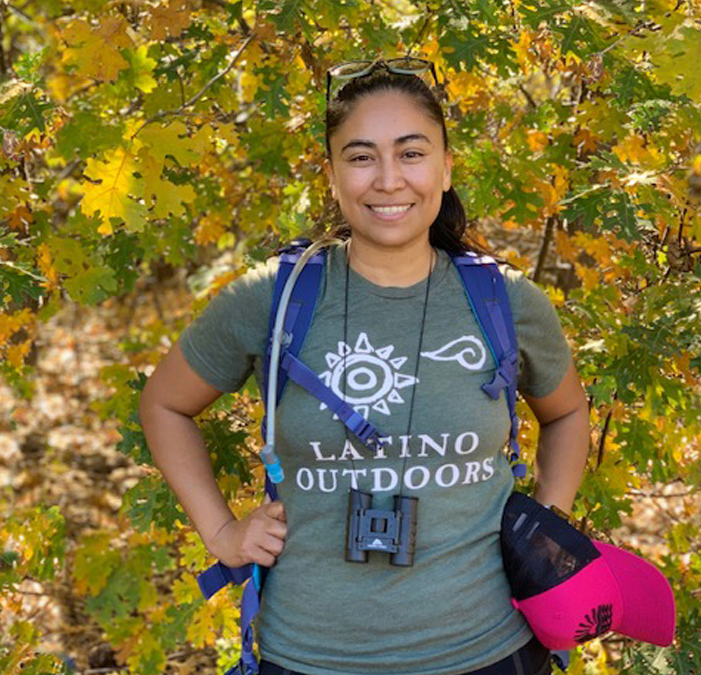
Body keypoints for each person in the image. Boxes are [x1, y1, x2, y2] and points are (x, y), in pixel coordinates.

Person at [139, 57, 591, 675]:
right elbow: (163, 405)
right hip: (310, 654)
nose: (388, 179)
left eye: (411, 153)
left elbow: (566, 413)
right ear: (331, 175)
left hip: (489, 648)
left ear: (446, 166)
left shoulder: (504, 301)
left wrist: (545, 524)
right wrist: (221, 533)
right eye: (360, 156)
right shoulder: (273, 296)